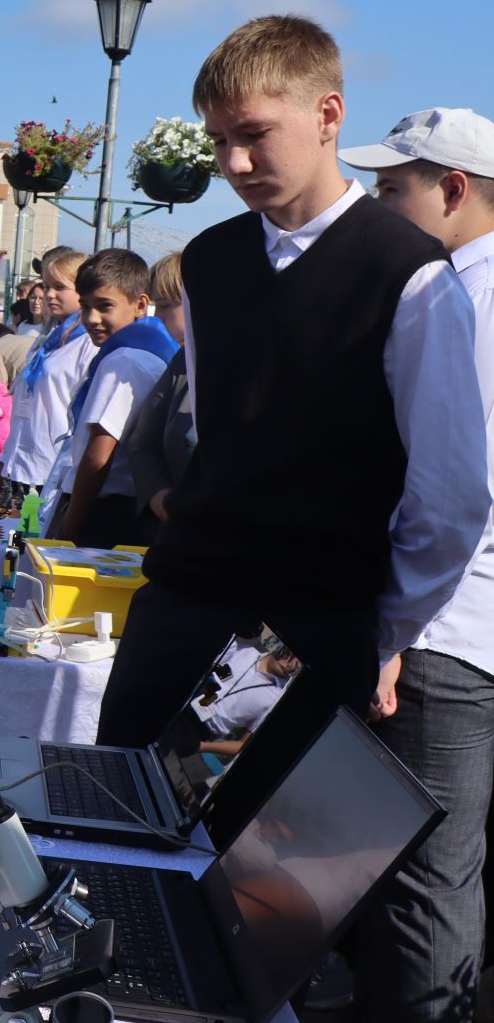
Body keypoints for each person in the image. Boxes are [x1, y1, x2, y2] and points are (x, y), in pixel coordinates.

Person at [94, 20, 487, 853]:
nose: (234, 164)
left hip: (303, 628)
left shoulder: (408, 274)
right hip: (183, 603)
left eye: (255, 136)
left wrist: (379, 634)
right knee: (118, 832)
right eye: (219, 141)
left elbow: (450, 496)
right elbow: (216, 431)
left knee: (252, 879)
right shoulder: (208, 261)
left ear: (328, 115)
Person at [350, 107, 494, 1020]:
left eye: (392, 188)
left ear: (452, 190)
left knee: (423, 879)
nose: (375, 203)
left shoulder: (457, 296)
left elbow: (451, 497)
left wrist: (395, 627)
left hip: (444, 627)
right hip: (464, 621)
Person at [46, 249, 176, 548]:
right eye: (85, 306)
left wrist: (69, 529)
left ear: (140, 304)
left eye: (105, 306)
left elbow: (98, 456)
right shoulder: (156, 351)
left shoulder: (124, 360)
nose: (91, 318)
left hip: (104, 511)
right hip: (130, 508)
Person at [0, 248, 94, 500]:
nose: (49, 294)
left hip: (49, 471)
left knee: (27, 539)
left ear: (82, 290)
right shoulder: (49, 338)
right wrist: (7, 457)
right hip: (19, 466)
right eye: (47, 286)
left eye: (59, 287)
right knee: (7, 538)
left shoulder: (88, 343)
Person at [127, 251, 191, 538]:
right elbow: (141, 443)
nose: (157, 316)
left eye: (165, 305)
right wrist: (160, 498)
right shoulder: (181, 362)